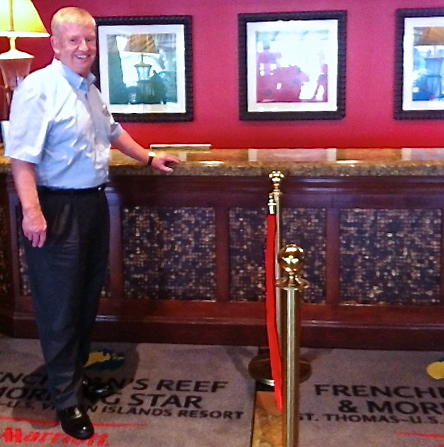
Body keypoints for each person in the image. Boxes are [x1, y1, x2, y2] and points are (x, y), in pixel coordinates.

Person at [5, 7, 179, 440]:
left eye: (89, 40)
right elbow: (21, 159)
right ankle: (65, 402)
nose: (84, 48)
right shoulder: (38, 90)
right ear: (56, 44)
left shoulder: (89, 87)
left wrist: (150, 157)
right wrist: (32, 212)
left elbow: (113, 130)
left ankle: (74, 382)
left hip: (92, 206)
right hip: (55, 210)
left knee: (84, 301)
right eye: (74, 41)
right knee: (59, 307)